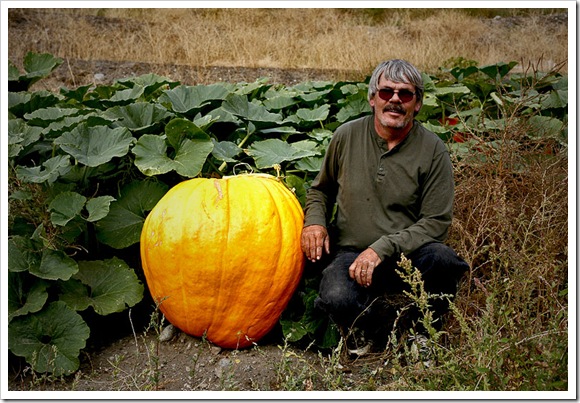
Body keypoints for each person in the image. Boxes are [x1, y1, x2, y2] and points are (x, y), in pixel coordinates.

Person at [301, 59, 469, 355]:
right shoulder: (346, 136)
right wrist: (314, 222)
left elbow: (436, 222)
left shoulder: (433, 150)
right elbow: (321, 191)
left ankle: (422, 332)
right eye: (386, 92)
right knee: (336, 297)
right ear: (372, 98)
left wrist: (382, 248)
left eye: (405, 94)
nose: (394, 99)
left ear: (417, 104)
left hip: (408, 255)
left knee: (443, 261)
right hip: (351, 254)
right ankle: (385, 329)